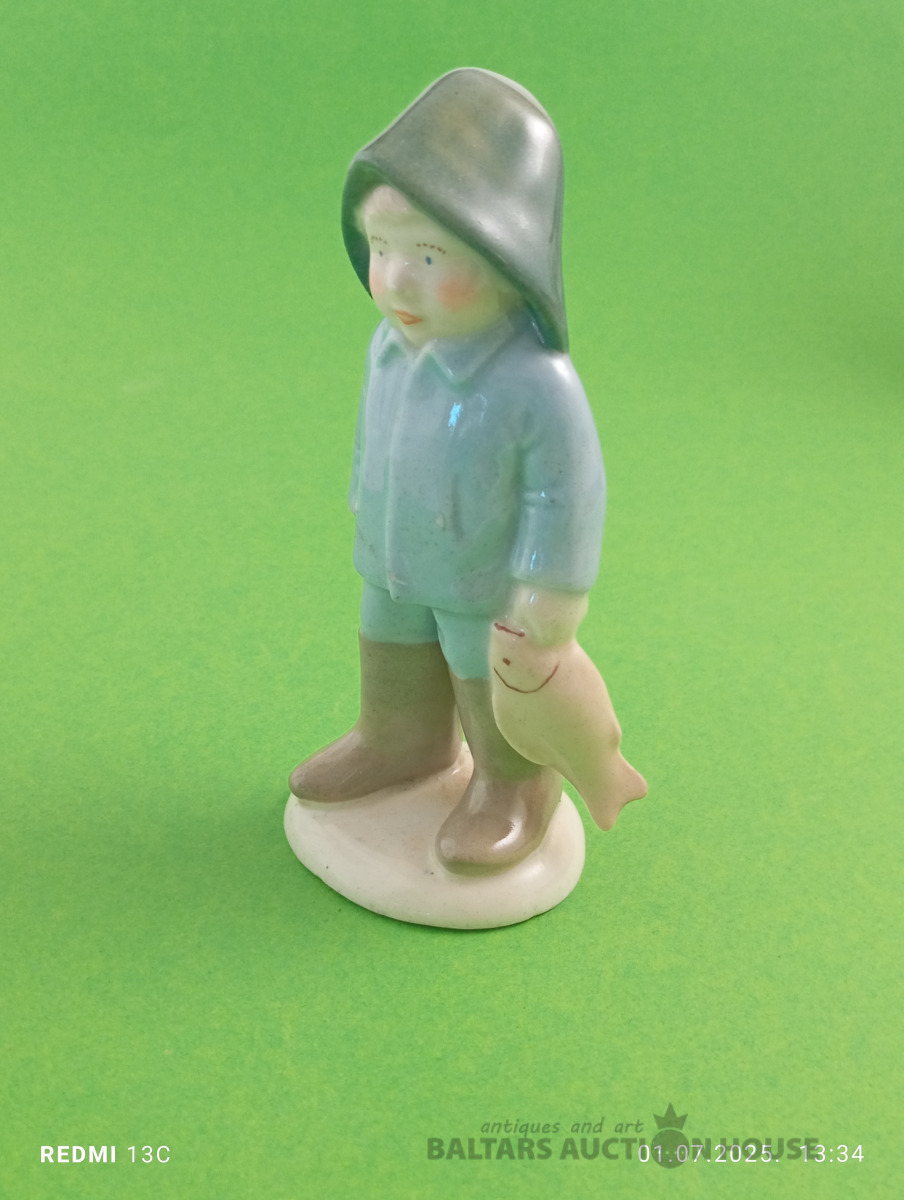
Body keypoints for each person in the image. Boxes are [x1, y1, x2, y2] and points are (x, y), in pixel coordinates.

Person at [290, 69, 645, 875]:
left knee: (482, 673)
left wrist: (552, 590)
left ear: (507, 259)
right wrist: (362, 495)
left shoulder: (535, 384)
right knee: (388, 639)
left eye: (428, 254)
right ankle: (398, 742)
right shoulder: (391, 347)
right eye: (382, 248)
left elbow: (567, 491)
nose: (394, 279)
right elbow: (375, 436)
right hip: (392, 555)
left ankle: (512, 784)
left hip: (482, 582)